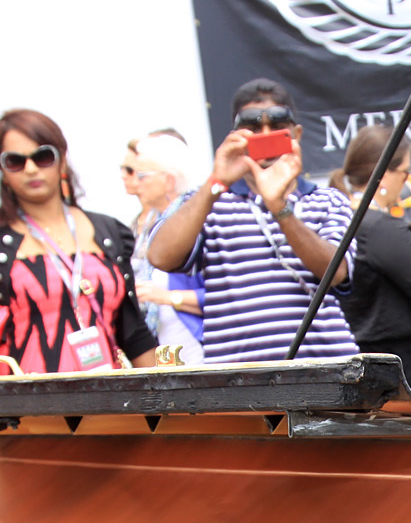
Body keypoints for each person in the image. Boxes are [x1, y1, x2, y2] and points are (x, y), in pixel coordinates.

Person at [0, 109, 159, 375]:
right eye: (15, 161)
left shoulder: (108, 231)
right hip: (26, 407)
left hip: (107, 399)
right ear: (2, 169)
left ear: (61, 160)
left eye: (43, 156)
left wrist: (166, 398)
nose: (31, 168)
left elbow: (133, 331)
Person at [147, 79, 360, 364]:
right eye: (253, 129)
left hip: (325, 372)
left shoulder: (328, 200)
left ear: (296, 134)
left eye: (277, 127)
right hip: (241, 383)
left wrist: (280, 209)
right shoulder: (208, 202)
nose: (265, 136)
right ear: (235, 136)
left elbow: (335, 273)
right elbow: (160, 256)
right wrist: (216, 182)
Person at [335, 126, 411, 402]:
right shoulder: (380, 228)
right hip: (401, 358)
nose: (408, 180)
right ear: (384, 174)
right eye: (404, 172)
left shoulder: (345, 219)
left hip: (370, 349)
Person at [122, 133, 205, 356]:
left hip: (197, 348)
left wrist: (166, 297)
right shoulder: (151, 223)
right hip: (165, 346)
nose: (136, 183)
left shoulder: (194, 222)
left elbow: (223, 294)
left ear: (168, 181)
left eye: (142, 176)